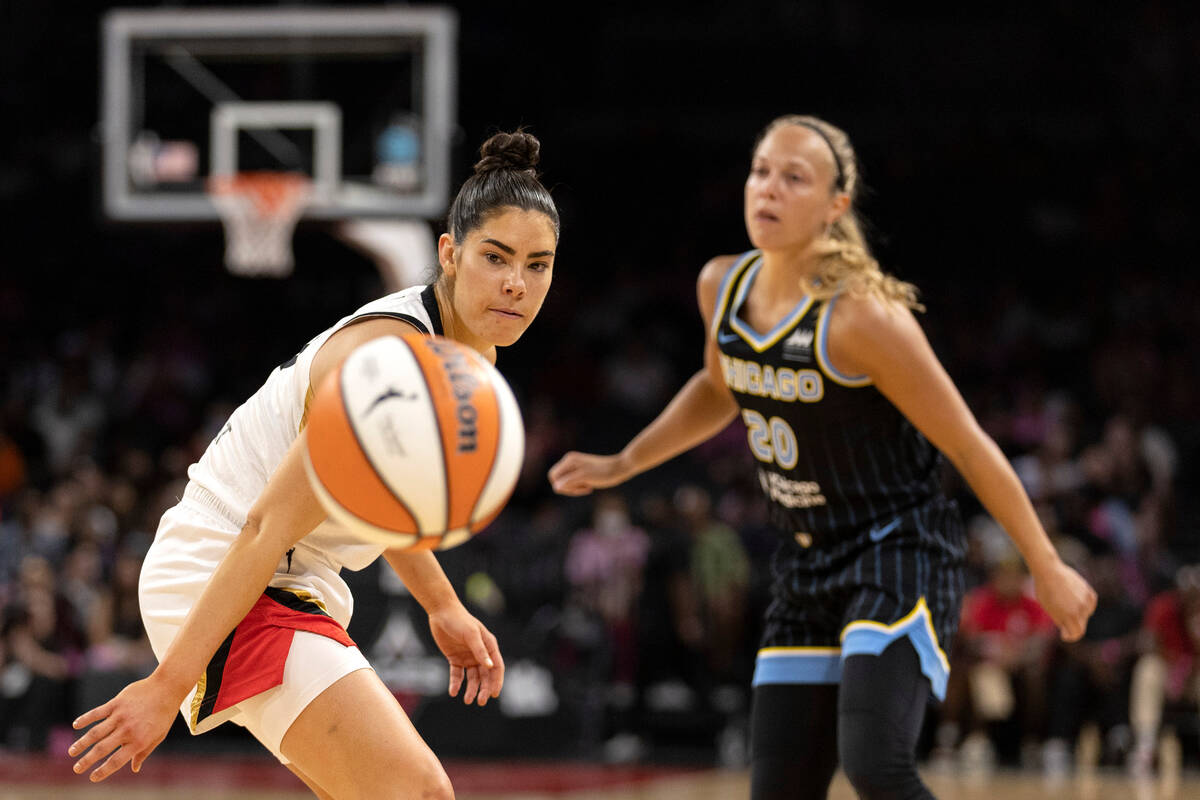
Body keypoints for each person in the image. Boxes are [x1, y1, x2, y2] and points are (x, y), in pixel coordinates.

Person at [549, 114, 1097, 799]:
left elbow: (965, 441)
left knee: (875, 764)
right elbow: (719, 387)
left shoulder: (863, 318)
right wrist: (624, 463)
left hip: (897, 548)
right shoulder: (722, 285)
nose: (768, 188)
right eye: (760, 171)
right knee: (779, 788)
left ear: (836, 205)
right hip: (807, 556)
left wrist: (1045, 564)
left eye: (794, 178)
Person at [68, 130, 560, 799]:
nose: (516, 283)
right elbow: (265, 526)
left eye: (538, 265)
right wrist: (165, 687)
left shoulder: (465, 356)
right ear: (449, 253)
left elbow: (381, 494)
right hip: (226, 568)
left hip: (288, 578)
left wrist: (443, 606)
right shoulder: (384, 363)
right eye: (495, 257)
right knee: (420, 793)